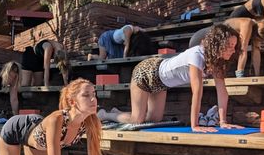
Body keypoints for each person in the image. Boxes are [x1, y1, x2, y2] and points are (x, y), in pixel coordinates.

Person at [98, 24, 243, 133]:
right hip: (146, 72)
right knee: (137, 120)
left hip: (160, 82)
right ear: (217, 44)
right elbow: (197, 92)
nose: (233, 49)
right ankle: (105, 114)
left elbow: (222, 91)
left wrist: (223, 121)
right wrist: (195, 125)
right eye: (229, 45)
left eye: (234, 46)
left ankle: (116, 113)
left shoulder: (217, 63)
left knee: (153, 120)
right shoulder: (197, 54)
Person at [189, 18, 264, 77]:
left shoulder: (256, 30)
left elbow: (256, 53)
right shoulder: (247, 24)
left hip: (214, 45)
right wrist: (240, 74)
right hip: (202, 38)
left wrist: (257, 75)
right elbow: (243, 51)